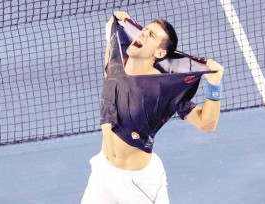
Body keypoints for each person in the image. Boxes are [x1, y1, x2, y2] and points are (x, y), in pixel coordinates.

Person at [81, 11, 224, 204]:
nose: (142, 34)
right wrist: (112, 30)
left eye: (152, 35)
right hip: (103, 172)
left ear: (159, 53)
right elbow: (112, 47)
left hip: (138, 185)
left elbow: (206, 124)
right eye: (144, 30)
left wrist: (214, 86)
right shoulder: (116, 63)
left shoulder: (165, 88)